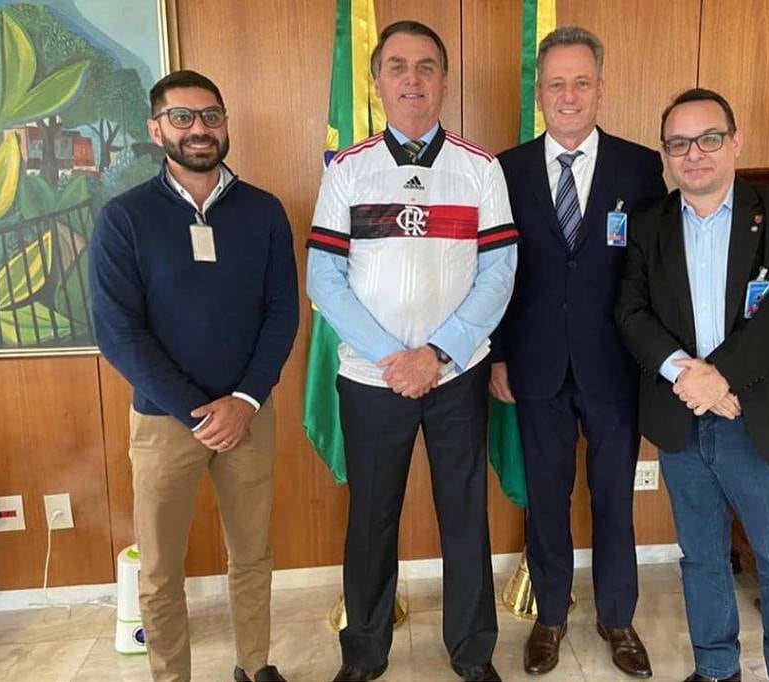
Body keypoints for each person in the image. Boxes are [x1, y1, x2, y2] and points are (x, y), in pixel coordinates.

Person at [306, 20, 518, 682]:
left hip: (456, 376)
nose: (412, 79)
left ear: (444, 82)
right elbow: (323, 279)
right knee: (371, 522)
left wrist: (439, 355)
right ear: (377, 83)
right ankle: (364, 654)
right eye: (397, 67)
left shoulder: (481, 170)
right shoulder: (347, 169)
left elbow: (500, 273)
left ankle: (472, 653)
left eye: (426, 67)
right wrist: (392, 359)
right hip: (371, 380)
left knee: (464, 519)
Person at [614, 88, 769, 682]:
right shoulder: (647, 226)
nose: (695, 154)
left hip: (759, 415)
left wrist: (720, 377)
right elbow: (631, 313)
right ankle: (716, 669)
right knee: (701, 557)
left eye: (709, 138)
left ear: (735, 142)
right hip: (682, 415)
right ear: (665, 155)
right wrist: (688, 376)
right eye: (679, 143)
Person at [89, 70, 298, 682]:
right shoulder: (124, 218)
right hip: (163, 421)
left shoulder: (263, 212)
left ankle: (254, 666)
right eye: (182, 118)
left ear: (226, 124)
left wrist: (244, 400)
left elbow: (282, 312)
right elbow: (119, 334)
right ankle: (169, 676)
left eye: (210, 115)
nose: (199, 129)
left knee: (253, 556)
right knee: (159, 570)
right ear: (156, 130)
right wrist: (198, 410)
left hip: (249, 418)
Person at [491, 25, 666, 679]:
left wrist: (656, 359)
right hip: (533, 365)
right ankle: (552, 616)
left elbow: (652, 271)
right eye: (556, 83)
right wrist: (500, 355)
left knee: (614, 498)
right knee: (546, 497)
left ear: (600, 87)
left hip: (616, 367)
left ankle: (618, 619)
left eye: (581, 82)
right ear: (541, 91)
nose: (569, 95)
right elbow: (497, 272)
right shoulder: (503, 169)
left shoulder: (640, 166)